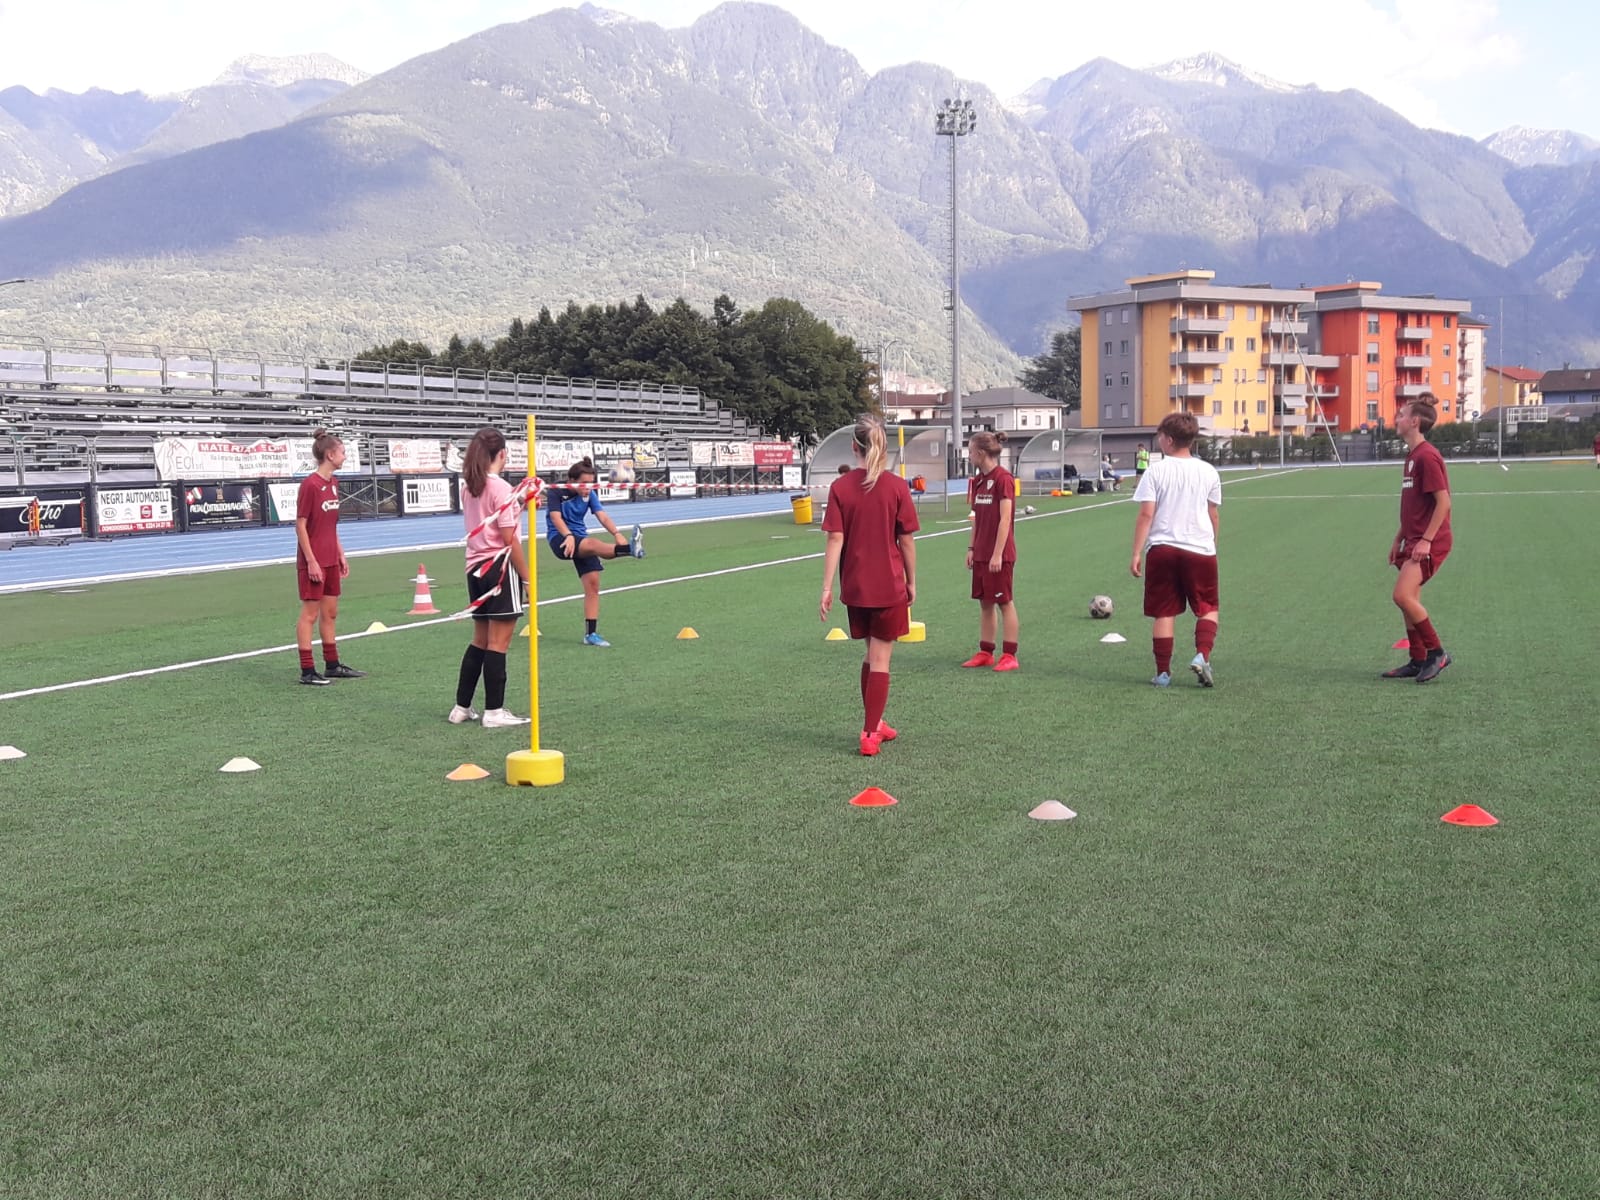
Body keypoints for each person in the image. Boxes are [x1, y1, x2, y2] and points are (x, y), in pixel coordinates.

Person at [819, 413, 920, 756]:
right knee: (880, 658)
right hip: (888, 585)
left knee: (870, 654)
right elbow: (906, 540)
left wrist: (827, 587)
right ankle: (869, 733)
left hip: (856, 586)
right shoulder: (896, 486)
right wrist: (912, 580)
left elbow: (835, 539)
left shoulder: (840, 487)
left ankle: (875, 722)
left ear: (854, 447)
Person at [1129, 413, 1221, 688]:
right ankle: (1202, 655)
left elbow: (1146, 514)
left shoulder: (1156, 471)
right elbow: (1213, 513)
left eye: (1160, 436)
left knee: (1164, 612)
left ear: (1168, 440)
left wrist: (1136, 553)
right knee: (1208, 608)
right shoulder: (1208, 471)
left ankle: (1163, 673)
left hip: (1163, 549)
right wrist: (1212, 543)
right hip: (1200, 548)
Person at [453, 427, 534, 727]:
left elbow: (494, 519)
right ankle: (494, 711)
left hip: (475, 567)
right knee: (498, 643)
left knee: (480, 640)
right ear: (502, 454)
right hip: (499, 568)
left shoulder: (470, 486)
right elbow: (509, 538)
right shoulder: (500, 488)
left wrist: (521, 503)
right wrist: (527, 578)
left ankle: (462, 706)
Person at [1383, 396, 1453, 683]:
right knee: (1408, 599)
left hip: (1430, 541)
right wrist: (1398, 539)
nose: (1396, 419)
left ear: (1414, 422)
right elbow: (1414, 508)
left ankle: (1437, 653)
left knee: (1401, 596)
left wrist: (1426, 541)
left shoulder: (1426, 456)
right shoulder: (1412, 457)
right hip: (1413, 539)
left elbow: (1443, 503)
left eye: (1401, 415)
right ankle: (1418, 658)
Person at [545, 456, 645, 646]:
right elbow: (556, 518)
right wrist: (568, 536)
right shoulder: (557, 491)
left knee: (593, 585)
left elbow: (602, 516)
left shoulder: (589, 494)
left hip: (579, 537)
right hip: (560, 538)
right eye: (584, 483)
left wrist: (616, 533)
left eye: (591, 483)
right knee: (592, 544)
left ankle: (590, 635)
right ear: (571, 480)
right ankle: (630, 549)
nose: (588, 487)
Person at [293, 429, 363, 685]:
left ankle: (332, 664)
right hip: (314, 561)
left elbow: (330, 525)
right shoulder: (310, 485)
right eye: (342, 452)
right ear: (330, 455)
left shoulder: (334, 483)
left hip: (331, 559)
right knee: (309, 614)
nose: (345, 456)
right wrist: (311, 561)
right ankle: (307, 670)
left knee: (330, 613)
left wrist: (341, 553)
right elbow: (301, 525)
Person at [960, 430, 1020, 672]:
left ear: (981, 453)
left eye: (970, 451)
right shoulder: (978, 481)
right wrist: (971, 548)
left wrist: (997, 554)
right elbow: (975, 518)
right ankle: (986, 652)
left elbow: (1005, 520)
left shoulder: (1004, 479)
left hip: (999, 555)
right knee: (985, 603)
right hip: (981, 553)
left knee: (1004, 602)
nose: (968, 456)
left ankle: (1010, 655)